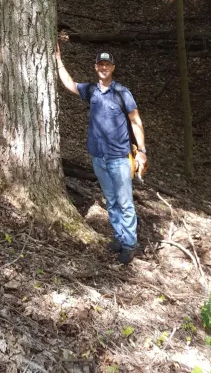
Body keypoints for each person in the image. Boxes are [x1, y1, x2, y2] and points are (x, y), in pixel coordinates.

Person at [56, 46, 147, 264]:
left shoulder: (122, 93)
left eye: (107, 64)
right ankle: (119, 237)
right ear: (96, 67)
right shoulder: (91, 91)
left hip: (120, 158)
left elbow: (136, 121)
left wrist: (142, 151)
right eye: (100, 64)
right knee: (111, 200)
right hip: (99, 157)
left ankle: (129, 245)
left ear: (113, 68)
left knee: (125, 202)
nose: (104, 67)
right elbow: (69, 84)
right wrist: (58, 60)